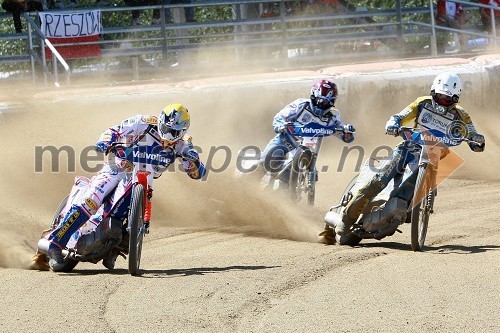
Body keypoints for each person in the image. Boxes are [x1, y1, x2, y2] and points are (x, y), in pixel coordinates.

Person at [43, 104, 206, 271]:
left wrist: (194, 161)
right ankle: (56, 242)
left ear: (182, 131)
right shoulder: (143, 123)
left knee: (131, 218)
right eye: (165, 127)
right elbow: (113, 131)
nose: (167, 133)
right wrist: (105, 142)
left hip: (143, 180)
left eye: (173, 131)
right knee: (93, 199)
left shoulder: (183, 144)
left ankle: (115, 246)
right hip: (118, 168)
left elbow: (197, 174)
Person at [335, 72, 486, 236]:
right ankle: (346, 219)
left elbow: (471, 133)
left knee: (406, 193)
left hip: (433, 157)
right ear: (433, 92)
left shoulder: (462, 116)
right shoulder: (422, 103)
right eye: (439, 96)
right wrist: (394, 123)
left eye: (447, 98)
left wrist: (477, 140)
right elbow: (402, 115)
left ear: (456, 98)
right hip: (408, 148)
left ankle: (395, 212)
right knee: (378, 180)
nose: (442, 101)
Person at [255, 79, 355, 184]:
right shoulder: (300, 105)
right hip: (285, 140)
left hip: (307, 151)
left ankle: (284, 196)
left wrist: (348, 132)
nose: (321, 105)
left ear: (332, 103)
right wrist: (280, 125)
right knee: (264, 162)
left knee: (290, 179)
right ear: (312, 96)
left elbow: (345, 135)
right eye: (319, 100)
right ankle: (244, 185)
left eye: (326, 102)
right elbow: (280, 116)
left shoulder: (331, 119)